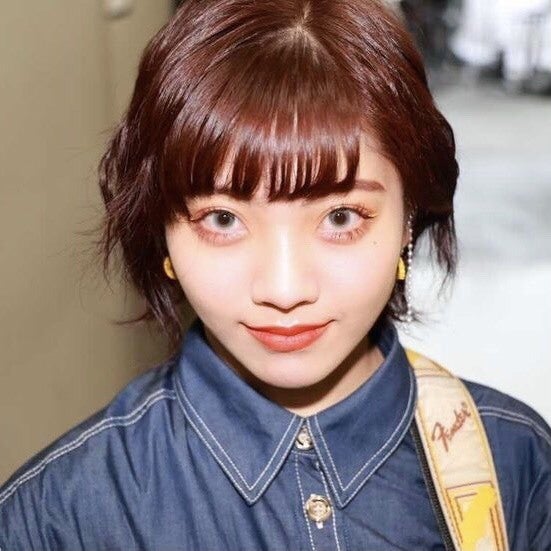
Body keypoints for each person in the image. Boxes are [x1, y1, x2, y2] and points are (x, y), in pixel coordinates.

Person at [1, 1, 550, 549]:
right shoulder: (54, 520)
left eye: (340, 218)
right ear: (161, 230)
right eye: (223, 220)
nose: (285, 290)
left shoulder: (518, 467)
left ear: (409, 218)